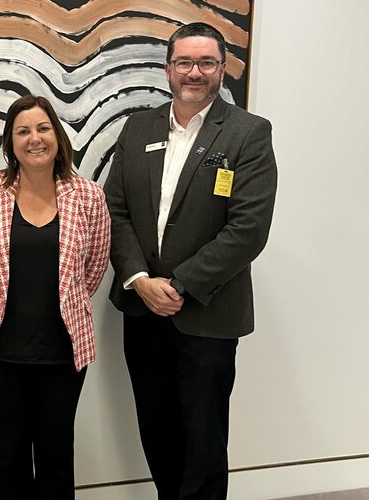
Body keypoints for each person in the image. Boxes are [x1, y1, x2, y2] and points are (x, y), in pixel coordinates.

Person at [104, 22, 278, 500]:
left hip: (207, 312)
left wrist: (177, 284)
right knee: (156, 430)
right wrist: (140, 279)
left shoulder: (248, 133)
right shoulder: (138, 128)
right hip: (143, 311)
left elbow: (247, 230)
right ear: (167, 69)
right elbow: (114, 210)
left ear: (222, 69)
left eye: (206, 63)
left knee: (203, 440)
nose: (194, 72)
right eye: (184, 62)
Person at [0, 94, 110, 499]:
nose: (34, 139)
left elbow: (93, 268)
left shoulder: (89, 196)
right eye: (22, 131)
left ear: (58, 136)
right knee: (7, 454)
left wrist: (68, 300)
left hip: (63, 351)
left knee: (56, 455)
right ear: (10, 142)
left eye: (43, 128)